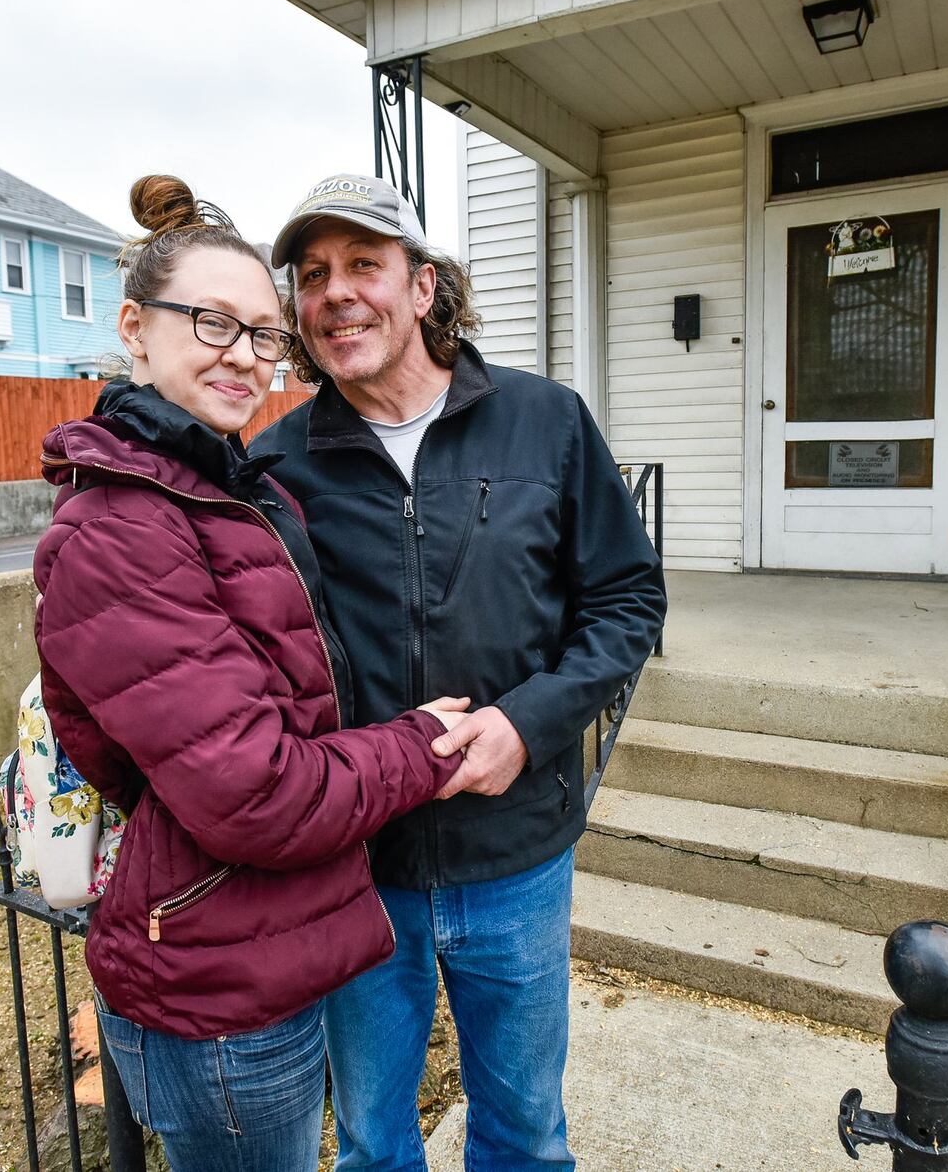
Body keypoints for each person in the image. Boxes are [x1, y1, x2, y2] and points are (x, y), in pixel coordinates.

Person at [33, 175, 471, 1172]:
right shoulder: (121, 528)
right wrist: (419, 743)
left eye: (265, 334)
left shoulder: (224, 489)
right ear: (136, 327)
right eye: (213, 323)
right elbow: (255, 793)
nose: (245, 354)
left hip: (254, 937)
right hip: (213, 987)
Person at [252, 174, 666, 1170]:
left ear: (424, 286)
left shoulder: (544, 421)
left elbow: (625, 603)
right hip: (356, 863)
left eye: (363, 265)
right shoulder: (275, 467)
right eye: (312, 275)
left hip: (515, 852)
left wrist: (527, 723)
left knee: (523, 1129)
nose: (336, 292)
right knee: (369, 1139)